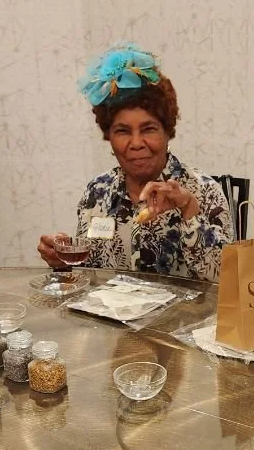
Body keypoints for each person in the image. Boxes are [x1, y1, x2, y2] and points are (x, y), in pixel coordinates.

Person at [38, 43, 233, 279]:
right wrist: (63, 259)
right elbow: (89, 274)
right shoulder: (98, 191)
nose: (136, 143)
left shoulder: (204, 191)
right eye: (123, 131)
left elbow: (225, 280)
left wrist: (189, 210)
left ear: (167, 131)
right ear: (109, 136)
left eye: (148, 129)